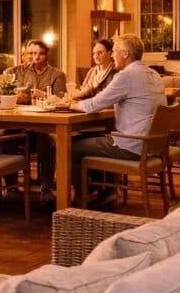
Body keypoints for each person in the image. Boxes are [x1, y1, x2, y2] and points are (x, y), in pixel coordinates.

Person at [58, 34, 165, 204]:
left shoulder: (126, 76)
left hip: (132, 145)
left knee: (69, 145)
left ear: (125, 54)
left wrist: (67, 103)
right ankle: (105, 191)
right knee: (90, 140)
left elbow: (94, 105)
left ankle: (80, 199)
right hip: (152, 145)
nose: (113, 55)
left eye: (114, 51)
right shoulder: (153, 74)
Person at [4, 39, 67, 202]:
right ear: (24, 54)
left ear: (46, 56)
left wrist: (45, 96)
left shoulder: (57, 74)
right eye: (31, 53)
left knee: (44, 138)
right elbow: (3, 93)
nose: (35, 58)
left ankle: (46, 187)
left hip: (45, 125)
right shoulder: (14, 72)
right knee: (7, 134)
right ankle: (10, 185)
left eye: (40, 54)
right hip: (20, 124)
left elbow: (61, 99)